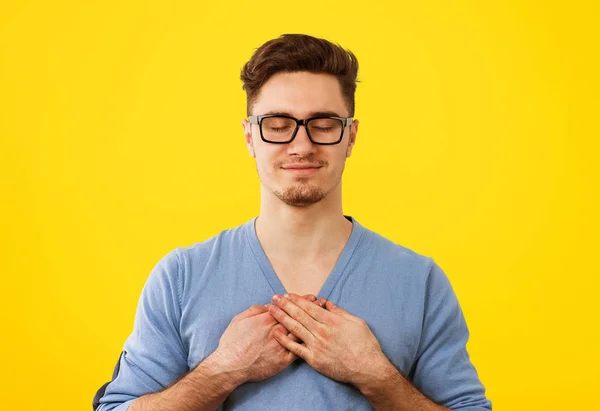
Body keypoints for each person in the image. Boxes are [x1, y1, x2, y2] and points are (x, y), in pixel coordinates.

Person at [93, 33, 492, 411]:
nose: (302, 145)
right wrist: (222, 369)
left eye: (323, 125)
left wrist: (377, 375)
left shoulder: (419, 282)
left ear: (351, 137)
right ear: (250, 137)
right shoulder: (180, 277)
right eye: (278, 125)